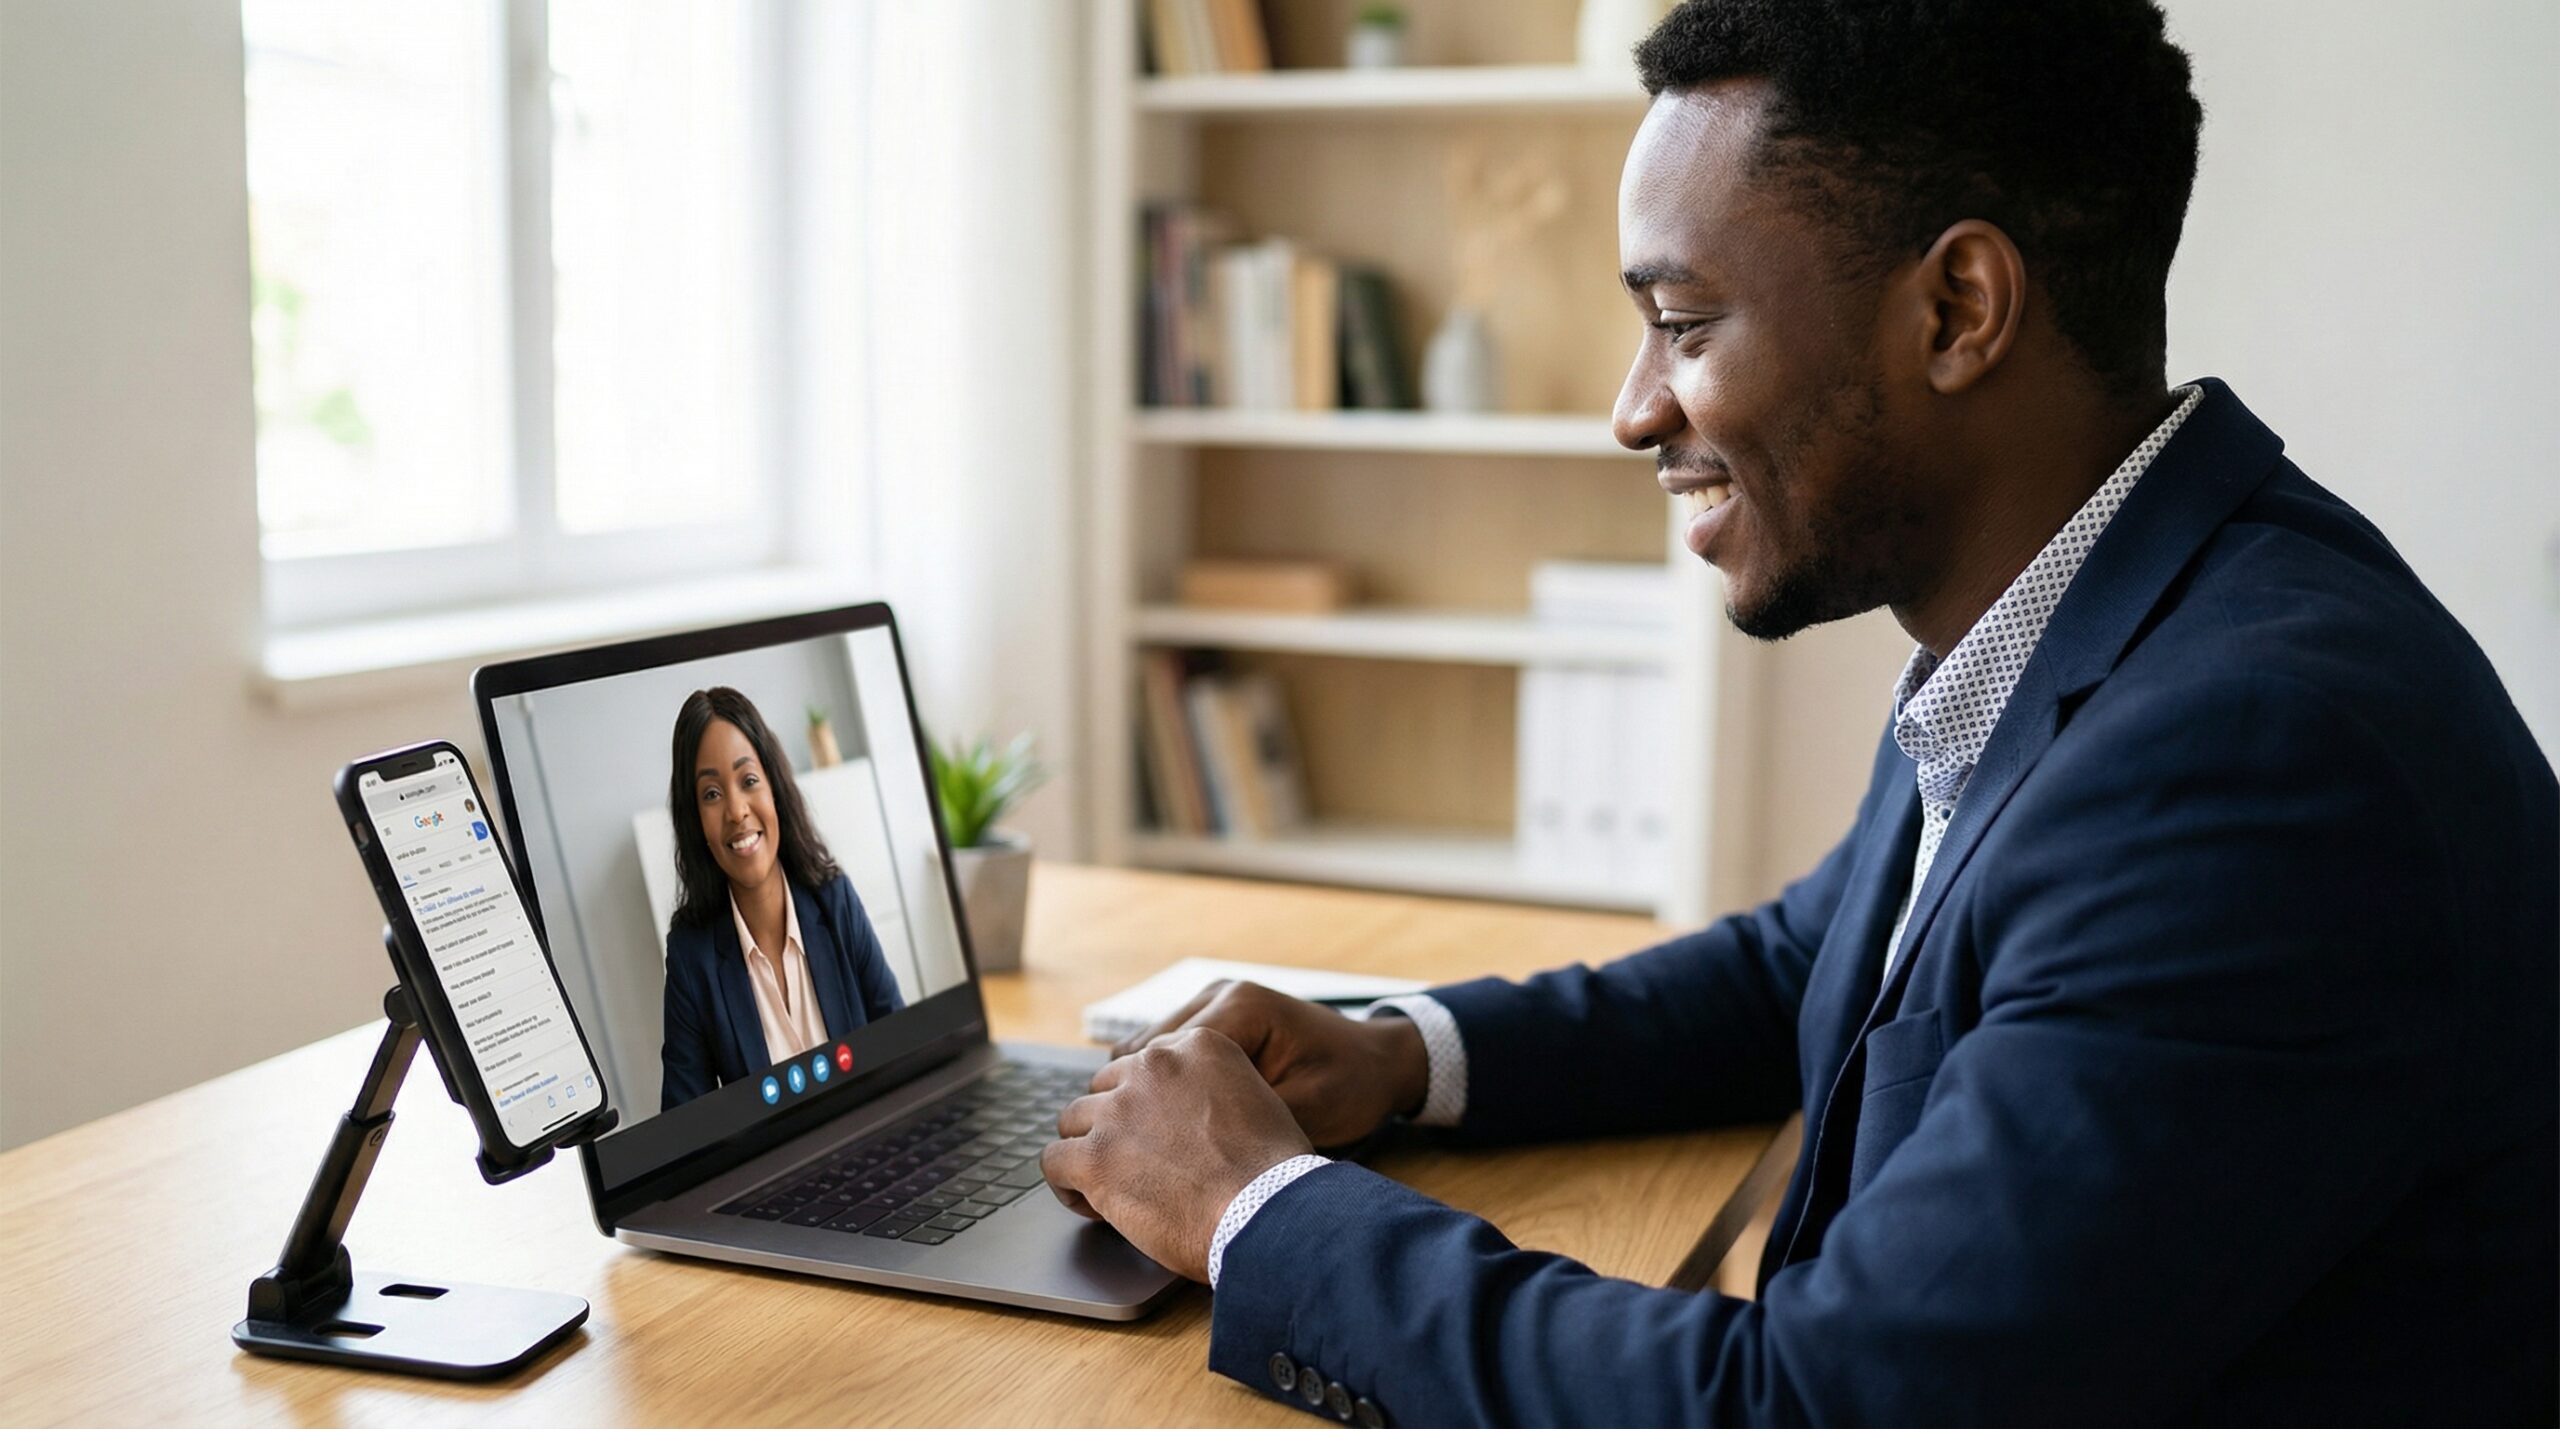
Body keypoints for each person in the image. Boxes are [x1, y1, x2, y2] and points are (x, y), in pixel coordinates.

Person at [1039, 2, 2559, 1423]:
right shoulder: (2102, 613)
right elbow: (1808, 966)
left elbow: (1813, 1405)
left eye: (1686, 324)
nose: (1635, 407)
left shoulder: (2251, 762)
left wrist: (1255, 1210)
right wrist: (1400, 1053)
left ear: (1959, 307)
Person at [660, 686, 904, 1111]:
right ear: (695, 819)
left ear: (774, 788)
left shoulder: (836, 901)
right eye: (712, 794)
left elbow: (902, 1047)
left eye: (748, 780)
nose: (736, 811)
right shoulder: (691, 955)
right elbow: (683, 1130)